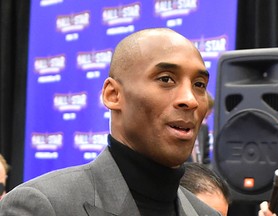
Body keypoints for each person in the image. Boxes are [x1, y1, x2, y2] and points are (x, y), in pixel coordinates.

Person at [0, 28, 220, 215]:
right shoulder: (45, 206)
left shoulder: (207, 213)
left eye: (199, 84)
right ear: (113, 95)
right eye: (166, 79)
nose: (190, 100)